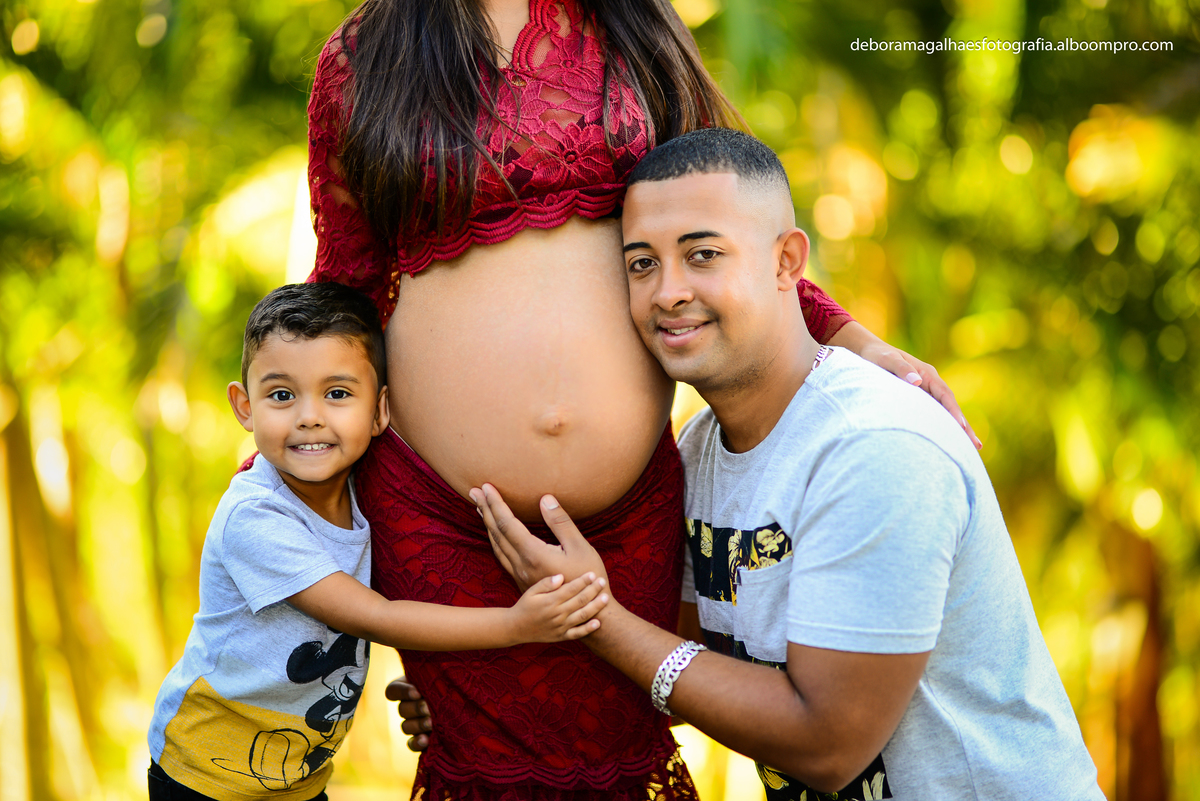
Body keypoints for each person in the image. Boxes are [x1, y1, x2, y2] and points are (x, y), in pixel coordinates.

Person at [306, 0, 977, 796]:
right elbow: (343, 286)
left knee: (625, 753)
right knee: (478, 768)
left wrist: (853, 337)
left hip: (635, 513)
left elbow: (720, 214)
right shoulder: (364, 55)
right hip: (442, 516)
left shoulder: (632, 22)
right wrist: (278, 471)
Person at [472, 128, 1105, 800]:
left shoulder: (873, 445)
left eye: (703, 254)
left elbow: (828, 743)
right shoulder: (699, 453)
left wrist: (595, 612)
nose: (668, 291)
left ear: (786, 263)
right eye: (641, 264)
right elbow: (693, 673)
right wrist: (481, 708)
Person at [147, 283, 608, 801]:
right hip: (205, 775)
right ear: (244, 406)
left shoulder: (366, 495)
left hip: (299, 777)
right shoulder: (256, 516)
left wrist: (435, 688)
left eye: (337, 393)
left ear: (380, 411)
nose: (309, 416)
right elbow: (374, 616)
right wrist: (518, 624)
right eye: (281, 395)